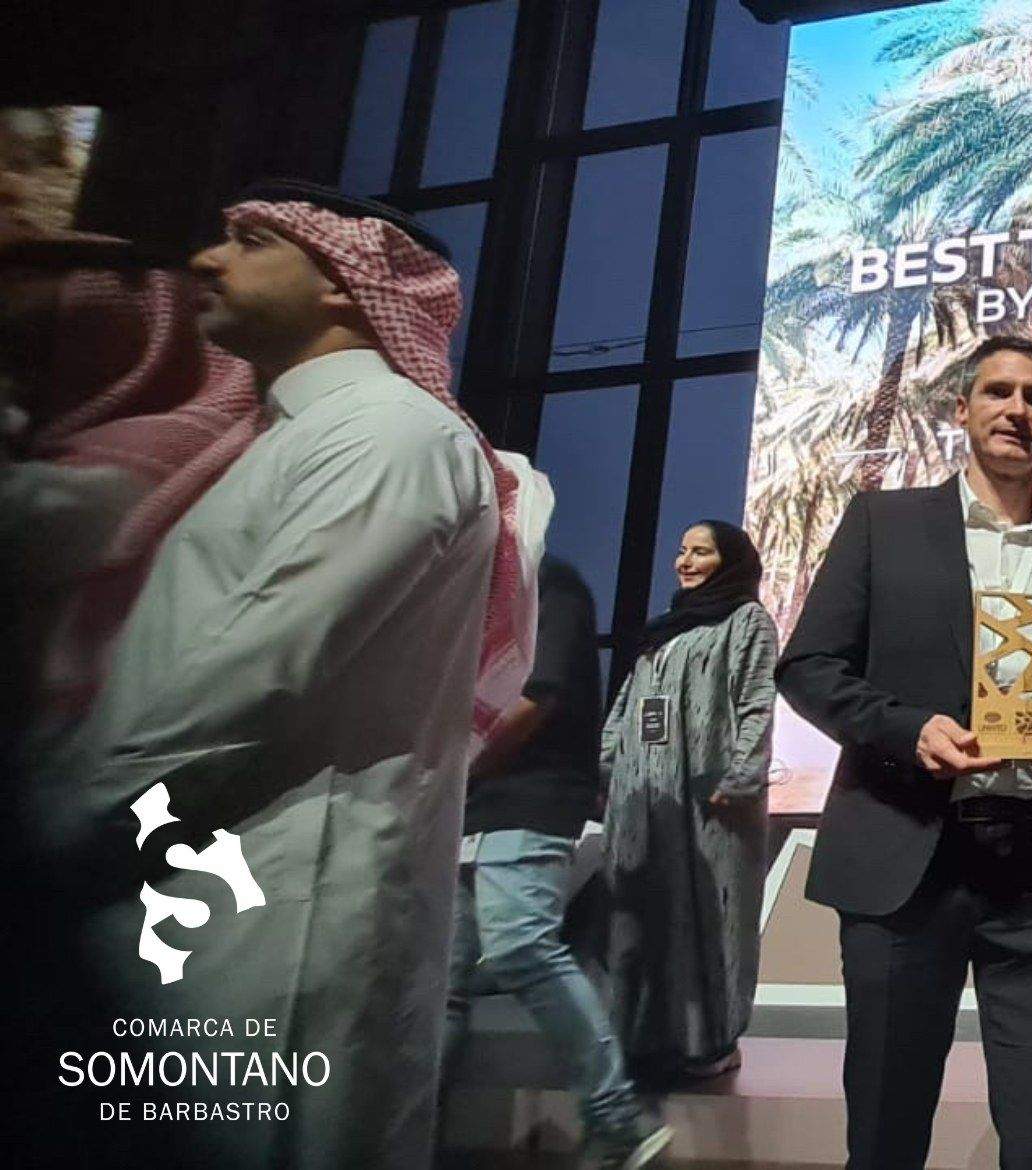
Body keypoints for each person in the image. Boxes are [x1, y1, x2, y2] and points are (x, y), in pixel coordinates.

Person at [41, 178, 531, 1170]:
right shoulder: (297, 436)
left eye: (251, 241)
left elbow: (256, 675)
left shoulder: (387, 430)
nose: (206, 260)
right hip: (185, 886)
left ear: (347, 281)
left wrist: (48, 819)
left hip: (277, 906)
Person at [777, 335, 1032, 1169]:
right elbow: (808, 667)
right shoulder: (883, 523)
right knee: (887, 1127)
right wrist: (909, 730)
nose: (1019, 410)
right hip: (906, 856)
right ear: (963, 409)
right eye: (1000, 392)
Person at [445, 551, 672, 1168]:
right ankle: (409, 1130)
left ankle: (617, 1118)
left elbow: (539, 695)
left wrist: (460, 765)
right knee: (442, 979)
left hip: (529, 800)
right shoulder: (473, 598)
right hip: (468, 808)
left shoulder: (550, 584)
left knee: (521, 945)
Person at [600, 519, 779, 1084]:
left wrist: (742, 777)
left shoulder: (746, 620)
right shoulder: (667, 627)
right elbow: (630, 700)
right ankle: (642, 1039)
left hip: (710, 799)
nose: (685, 561)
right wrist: (607, 759)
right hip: (644, 797)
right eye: (682, 551)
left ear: (730, 562)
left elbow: (756, 701)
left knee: (712, 917)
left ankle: (713, 1040)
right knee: (644, 916)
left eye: (701, 552)